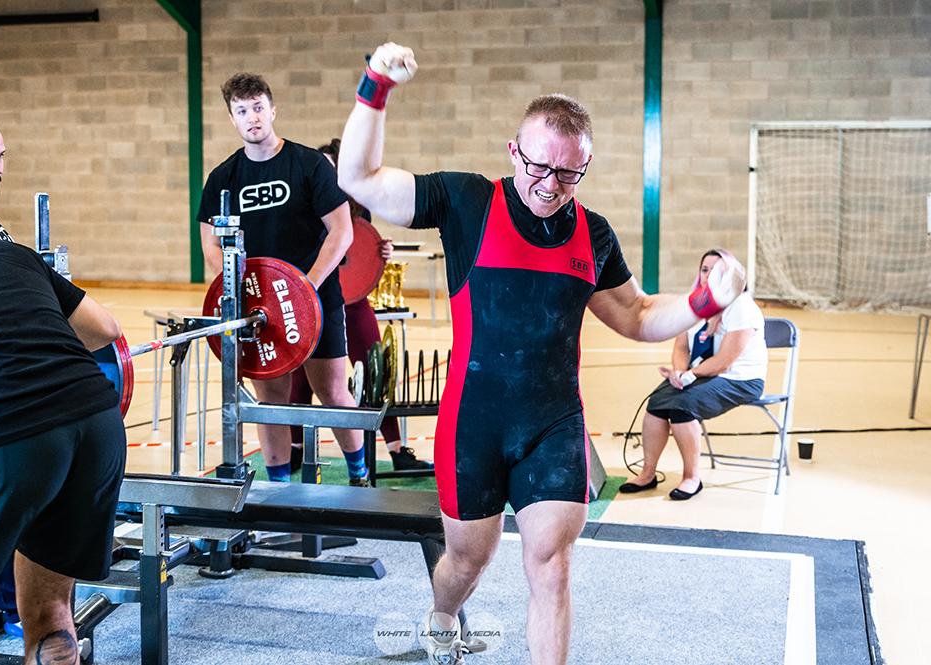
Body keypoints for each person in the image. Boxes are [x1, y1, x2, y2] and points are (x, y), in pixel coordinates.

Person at [338, 43, 747, 664]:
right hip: (473, 421)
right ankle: (442, 612)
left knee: (551, 567)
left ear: (584, 168)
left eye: (568, 174)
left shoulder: (594, 233)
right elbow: (358, 179)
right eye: (538, 167)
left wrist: (699, 301)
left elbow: (635, 315)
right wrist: (375, 85)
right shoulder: (468, 202)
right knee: (468, 559)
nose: (549, 185)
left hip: (553, 421)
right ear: (514, 151)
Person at [0, 113, 125, 643]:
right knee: (49, 614)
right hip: (93, 417)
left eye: (1, 158)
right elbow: (101, 328)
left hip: (10, 429)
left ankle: (1, 599)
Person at [197, 74, 371, 486]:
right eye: (242, 111)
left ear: (272, 110)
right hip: (260, 306)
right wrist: (232, 281)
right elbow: (210, 241)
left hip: (315, 294)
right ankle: (277, 489)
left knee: (332, 393)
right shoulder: (223, 177)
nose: (252, 117)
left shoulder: (308, 164)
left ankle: (359, 476)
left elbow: (342, 231)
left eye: (258, 107)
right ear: (232, 119)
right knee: (270, 398)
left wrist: (304, 286)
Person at [287, 138, 432, 472]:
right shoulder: (299, 209)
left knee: (377, 372)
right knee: (301, 380)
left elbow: (363, 251)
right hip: (312, 302)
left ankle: (396, 451)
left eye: (329, 166)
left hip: (353, 302)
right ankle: (295, 450)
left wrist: (382, 254)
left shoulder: (358, 207)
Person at [619, 249, 768, 500]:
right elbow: (681, 346)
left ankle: (691, 478)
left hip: (739, 379)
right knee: (657, 402)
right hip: (700, 374)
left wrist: (690, 375)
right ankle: (647, 473)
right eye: (705, 269)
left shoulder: (742, 307)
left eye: (718, 271)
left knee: (682, 407)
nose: (708, 275)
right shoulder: (695, 303)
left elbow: (724, 361)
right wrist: (678, 371)